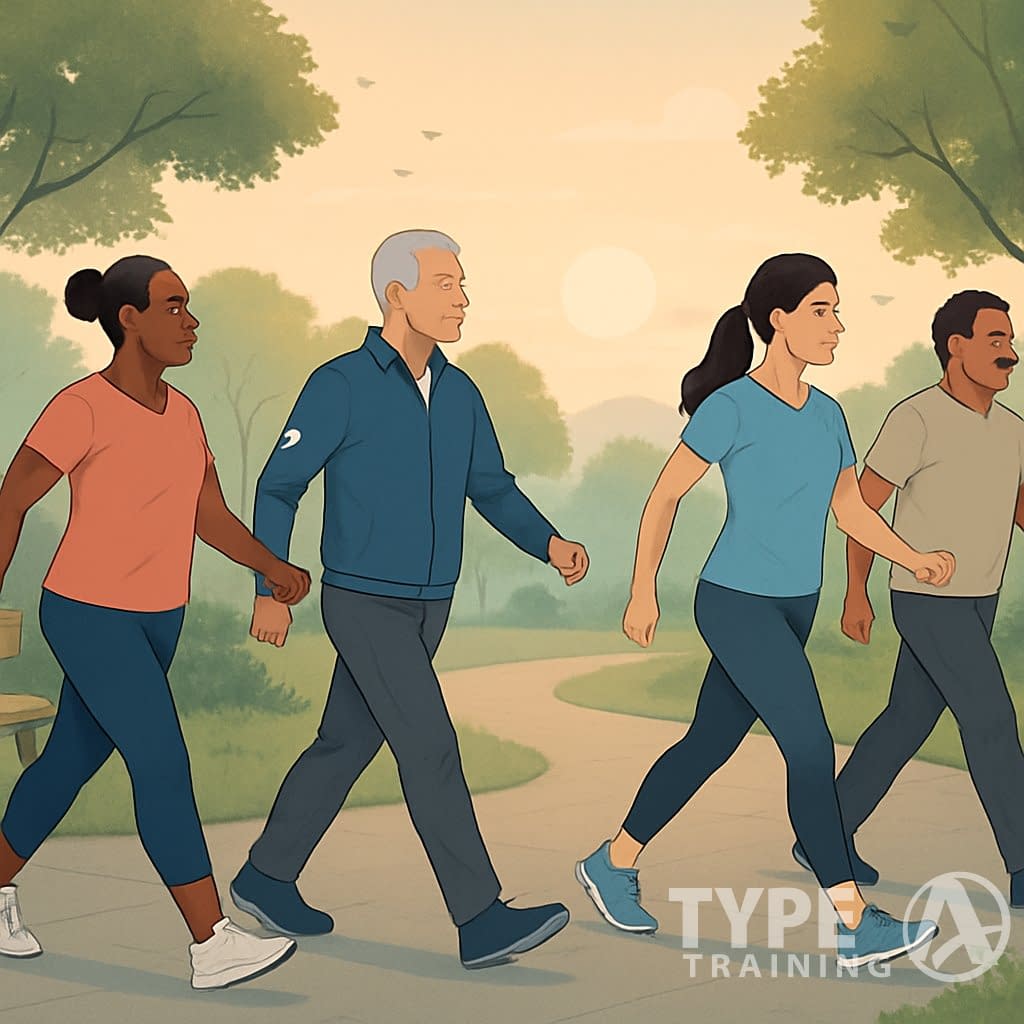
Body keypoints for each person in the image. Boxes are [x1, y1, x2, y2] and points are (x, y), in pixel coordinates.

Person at [229, 229, 590, 969]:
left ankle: (266, 876)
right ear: (398, 295)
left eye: (462, 284)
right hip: (363, 601)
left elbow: (489, 486)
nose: (463, 299)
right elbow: (278, 485)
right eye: (447, 284)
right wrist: (273, 586)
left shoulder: (459, 392)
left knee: (344, 743)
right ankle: (480, 918)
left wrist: (548, 543)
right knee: (430, 747)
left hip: (431, 602)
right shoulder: (341, 384)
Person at [575, 253, 949, 967]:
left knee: (708, 744)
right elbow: (665, 496)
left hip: (793, 605)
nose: (837, 325)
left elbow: (847, 509)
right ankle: (853, 920)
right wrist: (642, 588)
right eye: (821, 310)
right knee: (808, 746)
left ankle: (610, 861)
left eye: (838, 310)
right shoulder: (732, 408)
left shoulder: (830, 414)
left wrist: (911, 557)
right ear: (777, 319)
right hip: (735, 601)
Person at [0, 256, 311, 990]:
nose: (191, 321)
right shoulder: (81, 408)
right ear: (128, 318)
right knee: (162, 763)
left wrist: (270, 566)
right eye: (173, 307)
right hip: (88, 613)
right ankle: (212, 943)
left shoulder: (186, 415)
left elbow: (207, 515)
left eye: (189, 305)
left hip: (156, 619)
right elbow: (11, 498)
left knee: (67, 765)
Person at [791, 290, 1024, 908]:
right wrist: (857, 594)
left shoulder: (1013, 429)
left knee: (906, 721)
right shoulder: (915, 418)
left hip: (982, 596)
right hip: (927, 598)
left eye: (1010, 340)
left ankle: (826, 831)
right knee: (992, 718)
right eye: (995, 340)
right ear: (957, 346)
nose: (1010, 354)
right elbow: (860, 508)